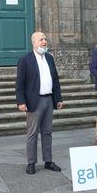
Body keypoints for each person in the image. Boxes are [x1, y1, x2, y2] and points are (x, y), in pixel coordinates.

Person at [16, 31, 64, 175]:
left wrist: (58, 98)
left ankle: (48, 161)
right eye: (41, 39)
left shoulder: (49, 58)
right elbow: (20, 84)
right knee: (32, 133)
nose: (44, 42)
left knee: (47, 132)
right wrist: (21, 101)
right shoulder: (25, 60)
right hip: (34, 101)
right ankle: (31, 162)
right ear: (34, 43)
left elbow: (55, 80)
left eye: (45, 39)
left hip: (49, 100)